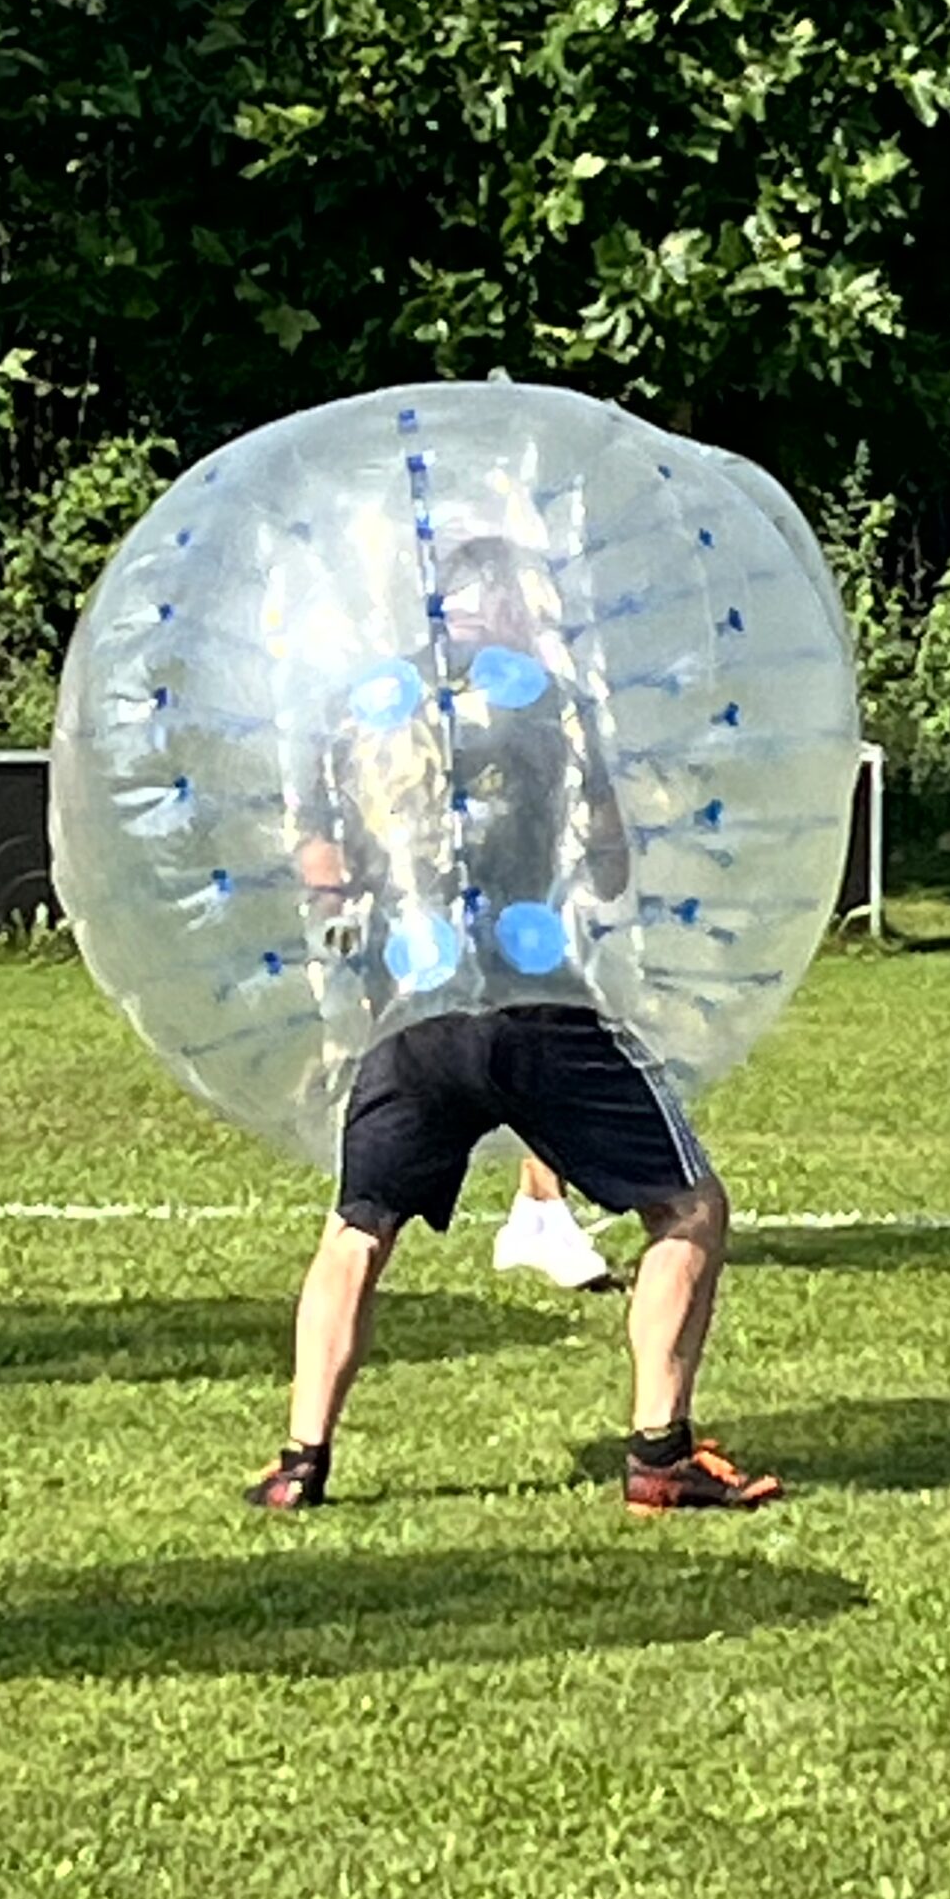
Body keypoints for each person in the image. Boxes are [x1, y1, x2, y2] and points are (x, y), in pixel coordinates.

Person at [245, 534, 780, 1514]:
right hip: (539, 1006)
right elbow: (611, 860)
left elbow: (318, 866)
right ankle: (659, 1453)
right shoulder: (549, 700)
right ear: (491, 607)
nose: (539, 618)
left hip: (409, 1016)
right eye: (528, 602)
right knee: (690, 1208)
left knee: (357, 1230)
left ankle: (299, 1460)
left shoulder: (355, 710)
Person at [492, 1153, 615, 1290]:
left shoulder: (559, 1239)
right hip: (541, 1247)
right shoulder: (568, 1241)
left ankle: (549, 1162)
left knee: (536, 1170)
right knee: (537, 1170)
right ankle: (549, 1164)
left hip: (532, 1247)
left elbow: (534, 1172)